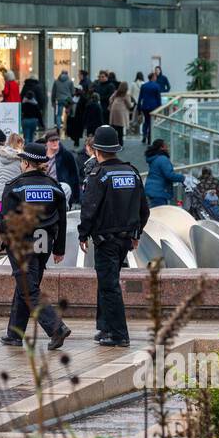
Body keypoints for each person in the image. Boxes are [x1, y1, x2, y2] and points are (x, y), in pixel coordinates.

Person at [78, 126, 149, 347]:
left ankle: (119, 334)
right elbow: (143, 209)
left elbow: (89, 208)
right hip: (126, 239)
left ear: (97, 151)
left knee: (109, 286)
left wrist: (83, 234)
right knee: (107, 282)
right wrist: (136, 232)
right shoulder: (132, 172)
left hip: (105, 239)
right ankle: (105, 327)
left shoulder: (99, 175)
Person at [0, 142, 71, 349]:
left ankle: (56, 327)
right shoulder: (54, 186)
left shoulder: (15, 186)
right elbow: (62, 219)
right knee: (26, 286)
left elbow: (7, 220)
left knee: (28, 289)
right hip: (44, 244)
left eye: (22, 161)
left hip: (22, 245)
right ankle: (14, 333)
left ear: (27, 162)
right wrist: (59, 248)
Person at [0, 132, 24, 225]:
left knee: (1, 226)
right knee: (12, 228)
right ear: (19, 143)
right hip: (12, 197)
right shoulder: (20, 158)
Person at [45, 131, 81, 207]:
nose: (55, 142)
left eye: (56, 140)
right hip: (45, 190)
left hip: (62, 190)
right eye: (52, 141)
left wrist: (76, 199)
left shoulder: (66, 155)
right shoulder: (42, 155)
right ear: (47, 142)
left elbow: (74, 176)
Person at [144, 139, 184, 208]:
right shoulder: (163, 159)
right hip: (159, 192)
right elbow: (169, 175)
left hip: (152, 190)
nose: (168, 148)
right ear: (161, 147)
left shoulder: (155, 158)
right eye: (166, 146)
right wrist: (183, 178)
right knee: (160, 214)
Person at [137, 72, 163, 143]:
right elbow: (158, 98)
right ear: (153, 77)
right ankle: (150, 137)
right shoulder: (157, 86)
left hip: (145, 106)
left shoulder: (144, 86)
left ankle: (144, 135)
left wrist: (139, 109)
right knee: (151, 122)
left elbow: (140, 98)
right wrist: (160, 108)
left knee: (146, 121)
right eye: (155, 77)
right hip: (153, 107)